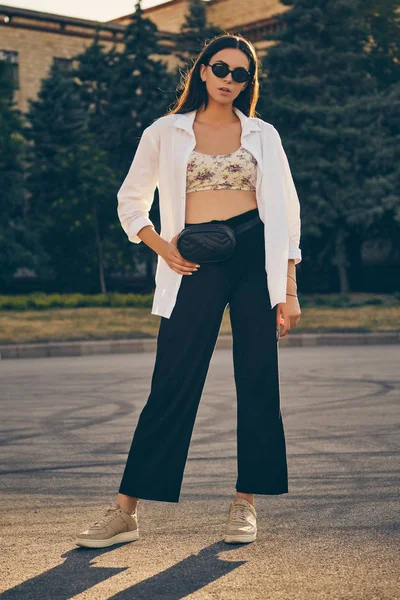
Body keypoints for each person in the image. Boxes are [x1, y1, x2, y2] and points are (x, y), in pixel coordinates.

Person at [75, 33, 302, 548]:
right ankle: (125, 512)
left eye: (240, 74)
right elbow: (130, 200)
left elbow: (287, 213)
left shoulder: (263, 134)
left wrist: (287, 288)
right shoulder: (166, 132)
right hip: (194, 260)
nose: (229, 80)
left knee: (258, 380)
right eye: (220, 69)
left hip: (254, 258)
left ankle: (245, 504)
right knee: (172, 381)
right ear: (202, 70)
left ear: (248, 82)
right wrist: (160, 246)